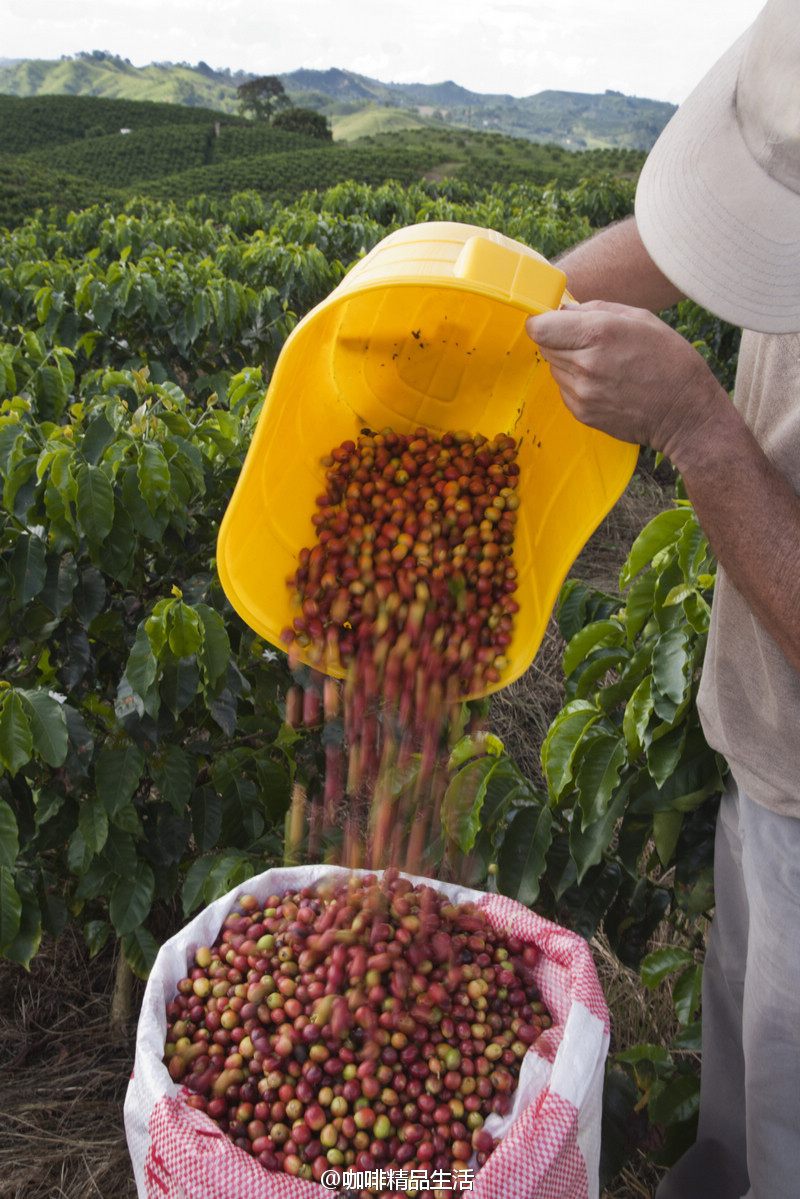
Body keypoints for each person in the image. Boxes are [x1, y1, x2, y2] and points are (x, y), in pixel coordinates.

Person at [525, 2, 800, 1197]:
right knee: (744, 1132)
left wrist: (695, 426)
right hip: (770, 773)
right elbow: (698, 238)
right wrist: (487, 314)